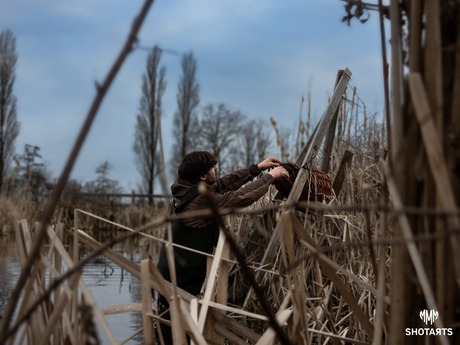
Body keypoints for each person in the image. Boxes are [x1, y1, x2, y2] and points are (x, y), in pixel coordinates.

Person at [155, 151, 288, 344]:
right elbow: (239, 197)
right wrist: (270, 177)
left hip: (169, 272)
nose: (215, 169)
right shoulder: (200, 202)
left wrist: (256, 169)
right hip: (179, 278)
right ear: (202, 176)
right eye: (212, 167)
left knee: (170, 329)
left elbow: (224, 183)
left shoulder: (186, 190)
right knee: (175, 334)